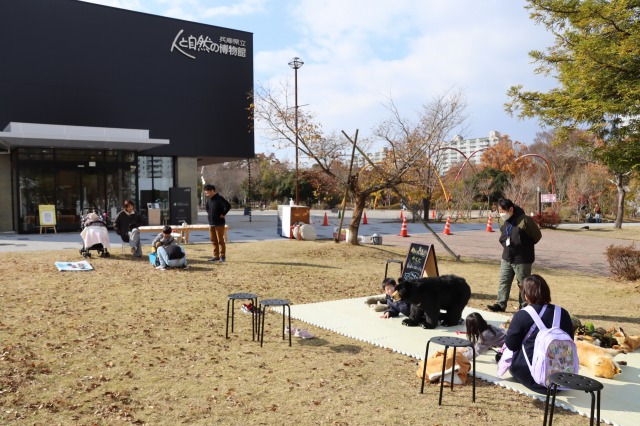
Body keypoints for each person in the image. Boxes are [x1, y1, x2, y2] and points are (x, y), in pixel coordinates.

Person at [504, 274, 574, 393]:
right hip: (560, 376)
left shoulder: (523, 314)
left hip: (531, 375)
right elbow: (570, 339)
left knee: (504, 358)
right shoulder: (563, 313)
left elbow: (511, 345)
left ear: (526, 294)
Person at [487, 198, 541, 312]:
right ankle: (500, 304)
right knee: (504, 280)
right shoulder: (502, 220)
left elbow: (537, 236)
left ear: (511, 209)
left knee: (523, 284)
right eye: (499, 211)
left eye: (503, 211)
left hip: (522, 258)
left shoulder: (525, 220)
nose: (501, 213)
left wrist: (524, 245)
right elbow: (503, 235)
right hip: (507, 256)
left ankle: (524, 307)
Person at [203, 184, 231, 262]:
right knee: (213, 240)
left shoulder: (219, 198)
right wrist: (210, 215)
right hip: (211, 223)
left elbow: (228, 206)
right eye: (205, 193)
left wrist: (223, 214)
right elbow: (207, 208)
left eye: (207, 193)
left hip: (219, 223)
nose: (206, 194)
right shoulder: (209, 199)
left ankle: (222, 256)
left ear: (212, 191)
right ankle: (216, 256)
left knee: (220, 240)